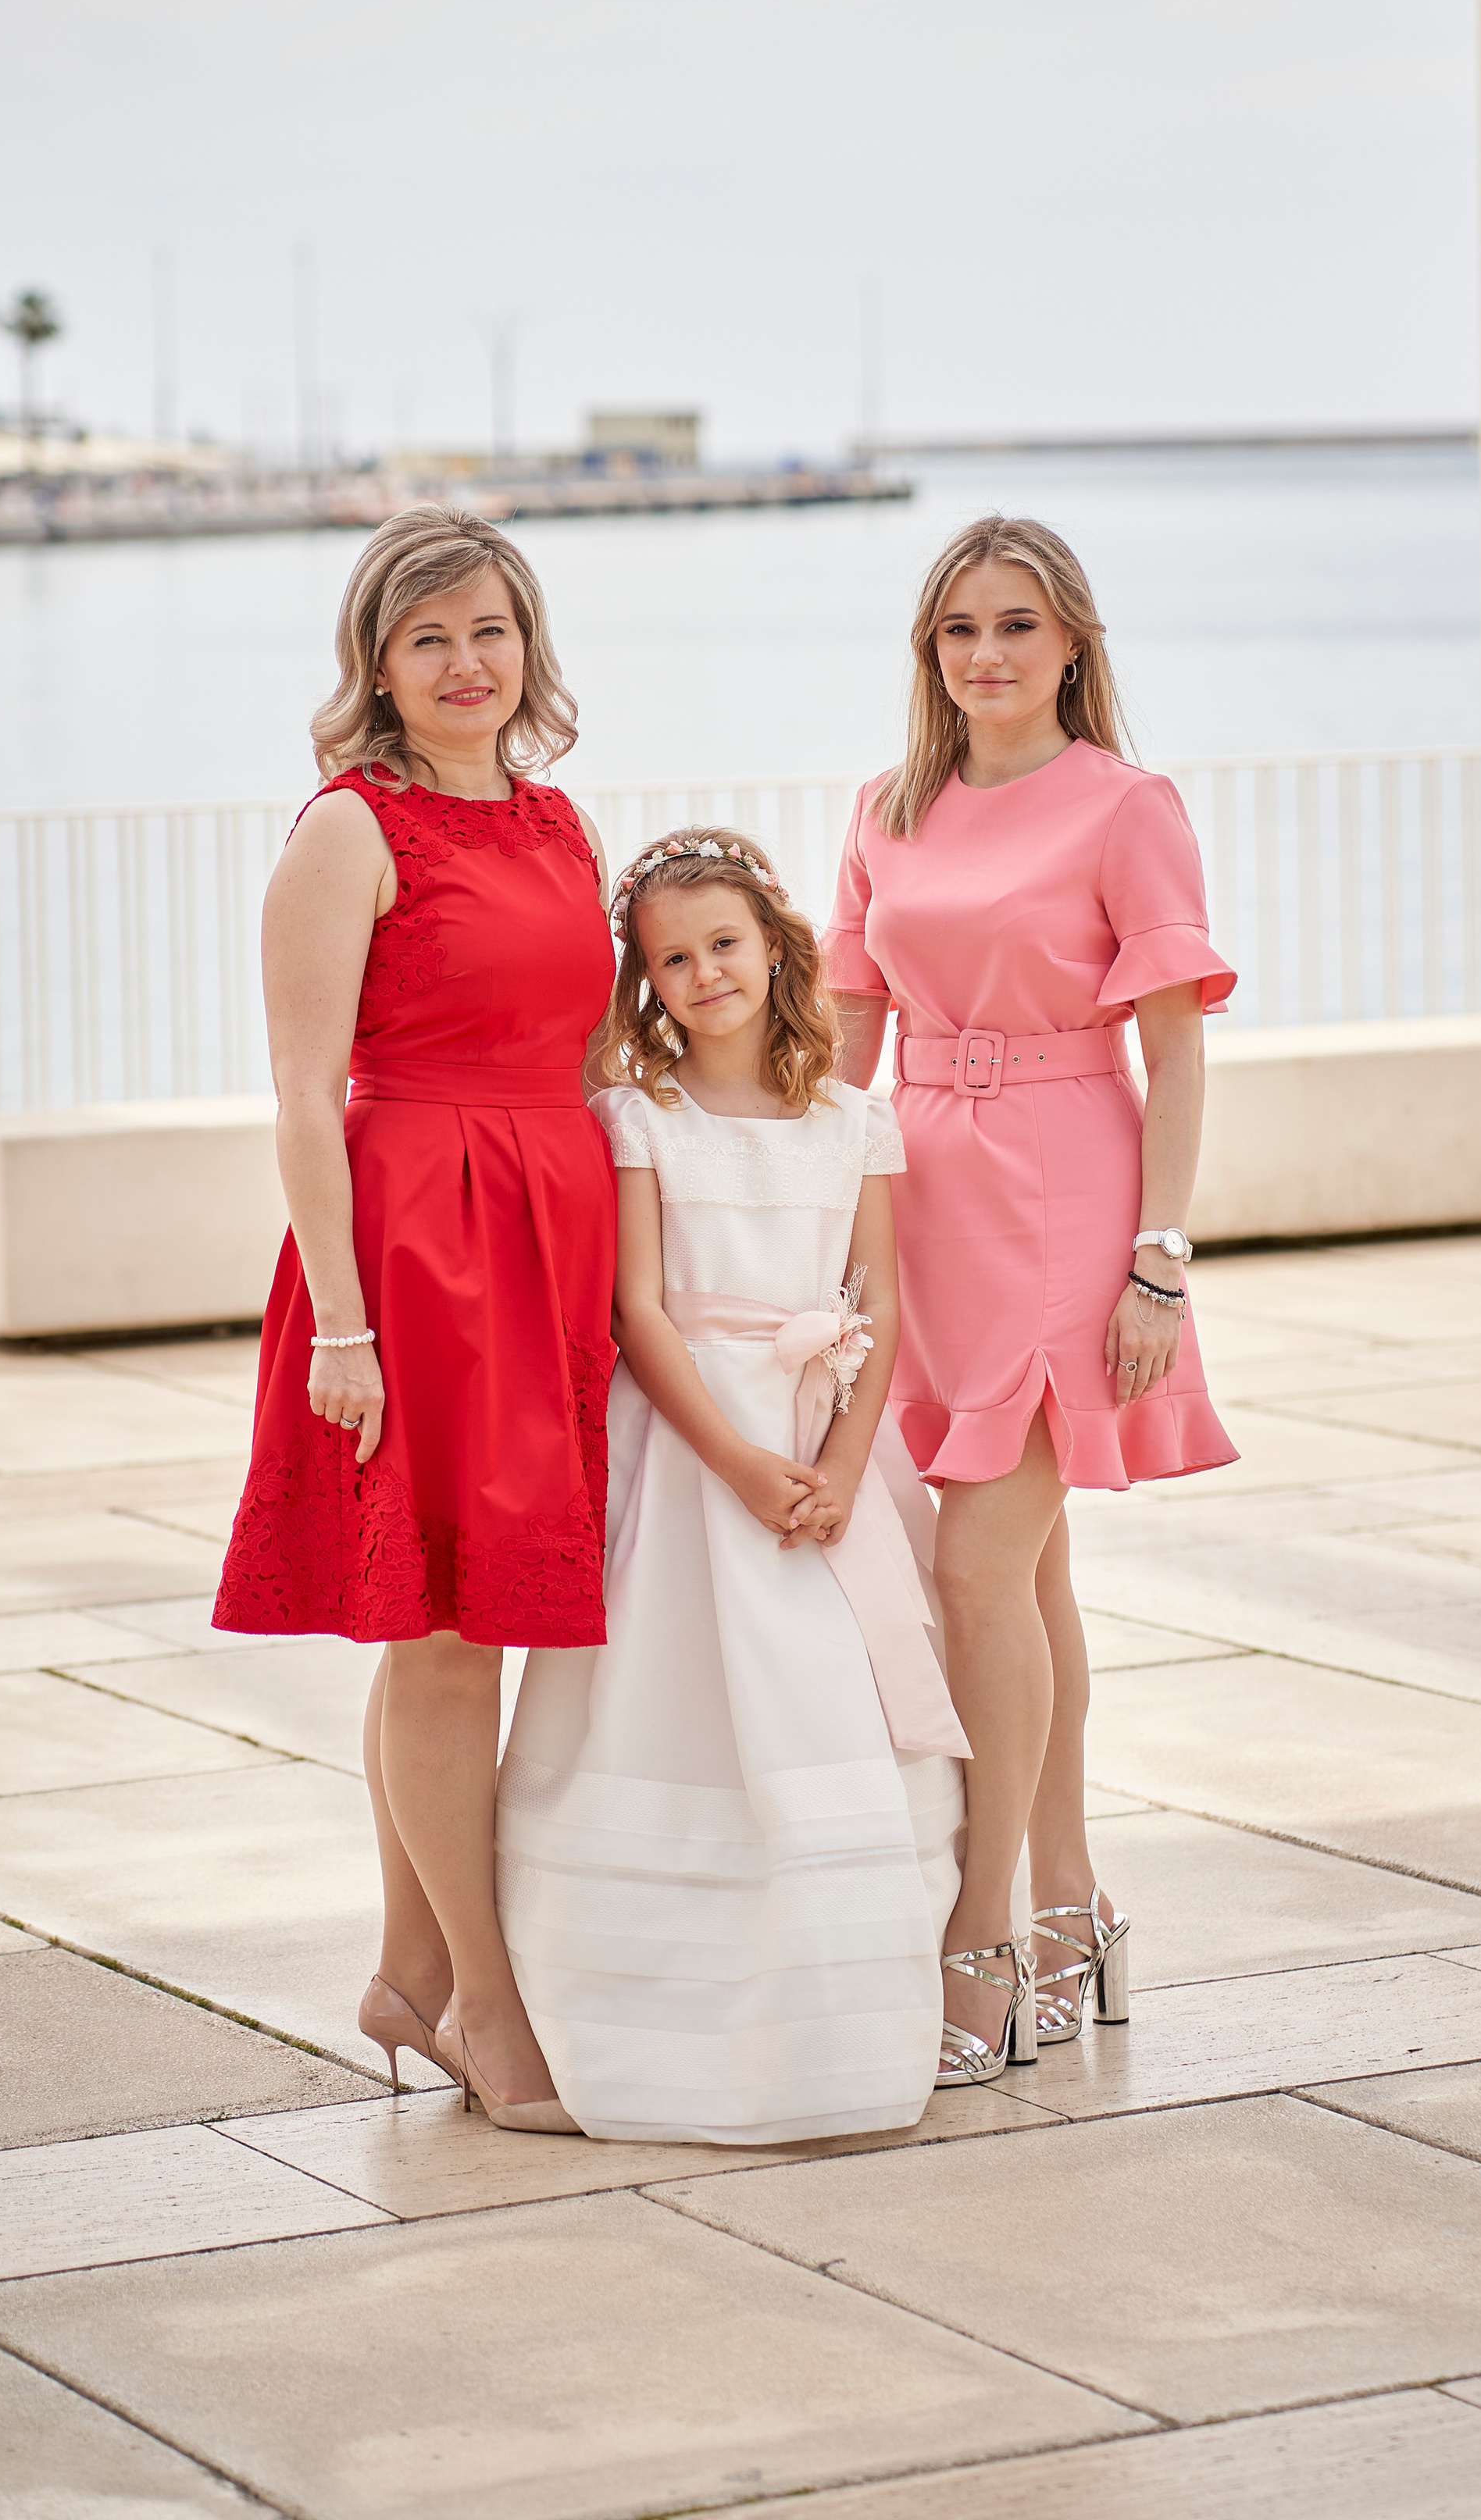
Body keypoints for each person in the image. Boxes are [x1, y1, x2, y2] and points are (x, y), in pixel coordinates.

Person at [212, 506, 616, 2135]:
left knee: (465, 1630)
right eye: (429, 636)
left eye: (489, 632)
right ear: (377, 662)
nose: (465, 664)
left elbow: (588, 1058)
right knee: (443, 1639)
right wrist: (345, 1326)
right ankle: (489, 2007)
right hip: (411, 1255)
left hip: (546, 1245)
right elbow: (305, 1095)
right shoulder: (347, 829)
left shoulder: (556, 820)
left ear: (529, 652)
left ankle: (408, 1975)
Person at [824, 515, 1237, 2087]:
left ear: (1072, 644)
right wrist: (807, 1229)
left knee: (977, 1577)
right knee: (1029, 1580)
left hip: (1068, 1196)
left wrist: (1159, 1256)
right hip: (922, 1198)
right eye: (956, 631)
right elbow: (845, 1034)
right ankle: (1071, 1911)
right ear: (929, 655)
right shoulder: (884, 807)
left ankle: (973, 1933)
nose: (986, 655)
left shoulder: (1126, 806)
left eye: (1015, 625)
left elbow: (1177, 1051)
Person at [497, 829, 968, 2143]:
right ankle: (652, 2025)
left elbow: (876, 1305)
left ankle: (839, 2031)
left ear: (776, 948)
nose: (704, 973)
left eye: (725, 945)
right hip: (696, 1446)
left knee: (828, 1701)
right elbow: (639, 1313)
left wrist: (829, 1464)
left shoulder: (853, 1121)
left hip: (823, 1447)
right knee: (676, 1698)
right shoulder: (644, 1116)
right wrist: (745, 1465)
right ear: (646, 985)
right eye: (672, 960)